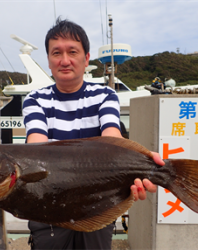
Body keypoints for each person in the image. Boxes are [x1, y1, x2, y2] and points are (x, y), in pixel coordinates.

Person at [22, 18, 164, 250]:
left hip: (97, 204)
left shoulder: (105, 95)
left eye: (73, 52)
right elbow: (36, 146)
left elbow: (112, 138)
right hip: (49, 204)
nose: (65, 60)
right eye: (56, 53)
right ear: (48, 60)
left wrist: (140, 162)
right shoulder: (35, 99)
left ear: (86, 58)